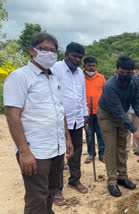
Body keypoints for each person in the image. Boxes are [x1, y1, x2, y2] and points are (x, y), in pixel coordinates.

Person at [3, 32, 74, 214]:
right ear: (32, 50)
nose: (50, 54)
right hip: (36, 151)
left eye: (54, 51)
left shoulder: (54, 79)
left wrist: (67, 139)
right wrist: (24, 152)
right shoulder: (20, 77)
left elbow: (60, 112)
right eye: (44, 49)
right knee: (37, 198)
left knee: (51, 192)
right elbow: (12, 115)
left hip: (56, 149)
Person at [97, 56, 139, 197]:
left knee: (122, 147)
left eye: (129, 73)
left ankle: (122, 176)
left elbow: (135, 102)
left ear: (133, 72)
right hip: (108, 116)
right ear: (117, 71)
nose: (126, 76)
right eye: (123, 72)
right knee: (111, 148)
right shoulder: (109, 86)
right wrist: (135, 130)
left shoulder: (135, 81)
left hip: (123, 114)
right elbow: (117, 111)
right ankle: (112, 182)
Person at [51, 42, 89, 202]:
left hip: (77, 120)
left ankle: (74, 180)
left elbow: (82, 94)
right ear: (66, 54)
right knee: (59, 154)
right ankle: (55, 189)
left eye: (80, 57)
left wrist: (85, 113)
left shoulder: (80, 73)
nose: (77, 59)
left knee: (77, 152)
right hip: (59, 121)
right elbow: (53, 95)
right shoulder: (56, 68)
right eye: (75, 56)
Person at [83, 57, 105, 164]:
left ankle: (102, 154)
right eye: (89, 65)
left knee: (101, 133)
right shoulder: (79, 77)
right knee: (89, 134)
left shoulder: (101, 77)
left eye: (93, 66)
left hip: (99, 112)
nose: (91, 68)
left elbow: (105, 93)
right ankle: (91, 154)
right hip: (86, 112)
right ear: (84, 66)